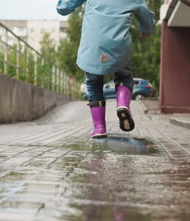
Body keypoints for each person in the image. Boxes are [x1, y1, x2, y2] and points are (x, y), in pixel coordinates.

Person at [56, 0, 156, 138]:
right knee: (124, 76)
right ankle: (122, 105)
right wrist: (146, 29)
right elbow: (146, 16)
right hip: (118, 45)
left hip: (93, 44)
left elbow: (64, 8)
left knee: (93, 83)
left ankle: (99, 128)